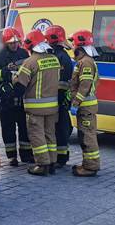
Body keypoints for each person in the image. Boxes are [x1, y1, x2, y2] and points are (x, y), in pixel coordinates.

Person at [14, 29, 60, 176]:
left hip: (36, 108)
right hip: (52, 106)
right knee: (50, 135)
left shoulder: (30, 62)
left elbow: (20, 86)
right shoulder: (54, 59)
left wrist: (14, 78)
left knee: (37, 135)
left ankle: (42, 164)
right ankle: (52, 162)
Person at [0, 27, 32, 166]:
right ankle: (11, 157)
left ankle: (26, 155)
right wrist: (6, 70)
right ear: (5, 43)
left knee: (25, 128)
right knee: (8, 129)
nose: (15, 45)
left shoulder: (24, 53)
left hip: (22, 98)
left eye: (16, 42)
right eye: (11, 43)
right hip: (6, 99)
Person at [68, 29, 101, 176]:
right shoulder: (85, 61)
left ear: (80, 47)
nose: (73, 48)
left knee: (87, 136)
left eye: (74, 45)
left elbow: (85, 85)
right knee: (85, 135)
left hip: (85, 106)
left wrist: (75, 103)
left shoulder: (86, 62)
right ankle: (87, 164)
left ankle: (90, 167)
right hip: (87, 106)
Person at [45, 25, 73, 168]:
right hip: (60, 99)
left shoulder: (59, 57)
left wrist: (59, 99)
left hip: (58, 99)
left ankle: (61, 158)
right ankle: (60, 156)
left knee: (60, 128)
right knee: (61, 127)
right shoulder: (61, 55)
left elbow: (60, 82)